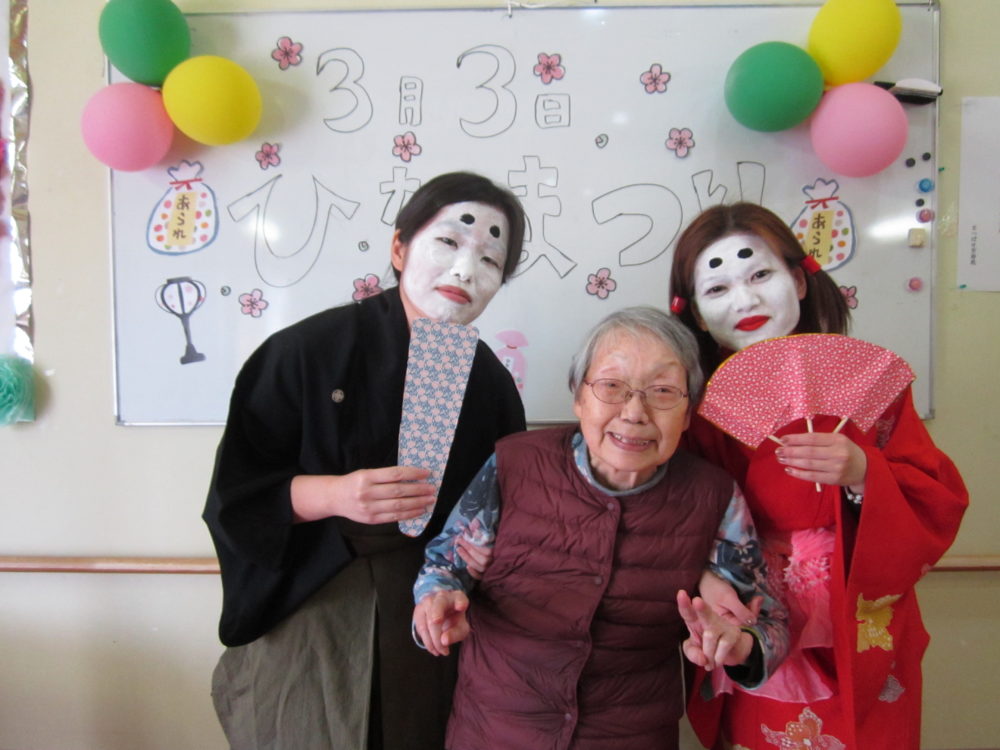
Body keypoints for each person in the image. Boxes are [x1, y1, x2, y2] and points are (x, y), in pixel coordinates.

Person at [202, 171, 528, 750]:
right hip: (315, 599)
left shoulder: (491, 385)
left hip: (430, 612)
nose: (465, 271)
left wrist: (480, 558)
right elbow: (237, 495)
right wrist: (336, 494)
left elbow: (503, 512)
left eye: (489, 261)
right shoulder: (306, 351)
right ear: (399, 248)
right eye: (448, 242)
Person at [412, 306, 790, 750]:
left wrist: (740, 645)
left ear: (689, 413)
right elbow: (445, 564)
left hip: (632, 736)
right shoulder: (515, 464)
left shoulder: (714, 496)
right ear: (578, 397)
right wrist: (436, 601)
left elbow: (771, 622)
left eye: (663, 391)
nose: (634, 412)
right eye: (612, 386)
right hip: (494, 730)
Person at [667, 202, 968, 749]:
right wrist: (704, 576)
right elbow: (673, 512)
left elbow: (935, 495)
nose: (745, 300)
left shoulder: (871, 389)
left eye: (761, 274)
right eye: (717, 289)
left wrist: (863, 471)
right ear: (696, 315)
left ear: (800, 281)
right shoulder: (697, 409)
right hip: (755, 611)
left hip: (856, 606)